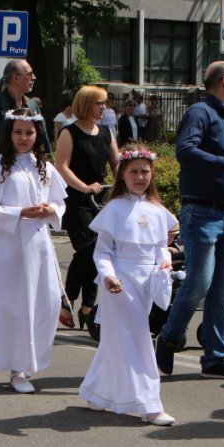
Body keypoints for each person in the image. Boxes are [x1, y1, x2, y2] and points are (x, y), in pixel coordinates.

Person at [154, 61, 224, 379]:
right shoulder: (200, 113)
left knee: (223, 288)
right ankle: (169, 338)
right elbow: (184, 151)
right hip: (200, 213)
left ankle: (214, 357)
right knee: (198, 282)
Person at [78, 145, 178, 426]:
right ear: (122, 175)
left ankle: (97, 393)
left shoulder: (157, 210)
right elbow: (103, 251)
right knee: (137, 340)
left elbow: (161, 246)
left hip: (147, 280)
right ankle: (150, 404)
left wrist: (165, 261)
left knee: (116, 339)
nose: (140, 177)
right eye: (133, 172)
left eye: (145, 171)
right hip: (120, 282)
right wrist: (108, 275)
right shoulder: (115, 209)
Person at [0, 108, 66, 394]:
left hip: (38, 243)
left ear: (37, 134)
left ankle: (31, 359)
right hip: (9, 244)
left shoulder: (44, 166)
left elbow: (59, 202)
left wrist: (50, 210)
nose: (24, 137)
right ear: (9, 134)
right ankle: (16, 369)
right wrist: (20, 212)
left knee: (45, 302)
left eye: (29, 132)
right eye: (18, 132)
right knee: (14, 305)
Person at [53, 85, 119, 333]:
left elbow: (116, 164)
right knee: (88, 248)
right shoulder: (69, 133)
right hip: (77, 201)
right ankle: (69, 300)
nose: (103, 107)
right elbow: (62, 167)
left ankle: (86, 306)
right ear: (85, 104)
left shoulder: (106, 132)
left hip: (101, 201)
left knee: (99, 251)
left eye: (104, 103)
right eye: (98, 103)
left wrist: (127, 185)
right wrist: (84, 187)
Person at [0, 60, 47, 177]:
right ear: (15, 78)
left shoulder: (33, 106)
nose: (34, 77)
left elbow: (43, 144)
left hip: (29, 176)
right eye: (29, 74)